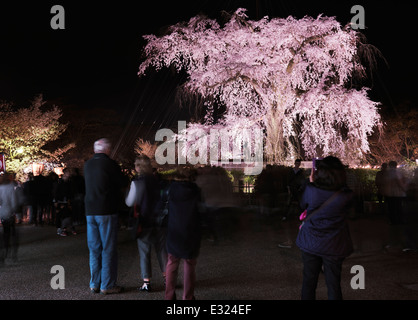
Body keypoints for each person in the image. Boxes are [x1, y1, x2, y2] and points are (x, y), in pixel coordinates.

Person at [296, 156, 354, 300]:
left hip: (311, 241)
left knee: (309, 281)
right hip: (335, 243)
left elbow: (303, 205)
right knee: (334, 283)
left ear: (319, 172)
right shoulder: (346, 195)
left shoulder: (311, 190)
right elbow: (351, 214)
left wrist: (311, 183)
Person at [84, 138, 127, 295]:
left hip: (90, 210)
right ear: (107, 150)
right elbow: (122, 182)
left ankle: (94, 283)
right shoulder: (110, 164)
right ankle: (107, 284)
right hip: (106, 209)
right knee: (108, 248)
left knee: (94, 248)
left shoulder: (87, 165)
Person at [125, 155, 168, 292]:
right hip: (160, 219)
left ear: (138, 167)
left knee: (144, 251)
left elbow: (130, 202)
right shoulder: (158, 181)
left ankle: (147, 282)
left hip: (144, 220)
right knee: (162, 250)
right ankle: (168, 279)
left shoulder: (137, 183)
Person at [165, 167, 202, 300]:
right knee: (189, 264)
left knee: (172, 262)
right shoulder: (196, 191)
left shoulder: (170, 190)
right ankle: (188, 297)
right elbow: (201, 211)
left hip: (174, 229)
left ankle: (169, 296)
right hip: (191, 231)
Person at [0, 173, 20, 264]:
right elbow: (14, 201)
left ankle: (4, 253)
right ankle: (13, 254)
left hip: (2, 212)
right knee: (13, 233)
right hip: (10, 212)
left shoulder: (0, 188)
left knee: (5, 232)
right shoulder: (11, 187)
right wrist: (14, 210)